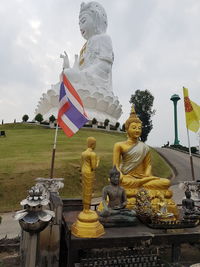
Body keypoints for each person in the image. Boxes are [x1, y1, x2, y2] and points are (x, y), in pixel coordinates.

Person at [113, 105, 176, 215]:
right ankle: (146, 190)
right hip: (128, 178)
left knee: (166, 182)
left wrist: (147, 175)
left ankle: (141, 188)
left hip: (143, 178)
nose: (137, 130)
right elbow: (115, 166)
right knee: (121, 183)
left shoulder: (145, 147)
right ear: (127, 129)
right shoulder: (119, 145)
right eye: (134, 127)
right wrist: (120, 175)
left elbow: (148, 165)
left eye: (139, 128)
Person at [62, 1, 114, 93]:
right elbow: (78, 69)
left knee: (70, 76)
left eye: (83, 21)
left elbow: (105, 66)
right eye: (79, 24)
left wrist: (83, 75)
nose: (80, 27)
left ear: (96, 19)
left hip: (97, 81)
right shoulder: (84, 47)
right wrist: (68, 67)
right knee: (65, 75)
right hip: (84, 80)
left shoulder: (104, 38)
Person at [81, 137, 99, 212]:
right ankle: (87, 209)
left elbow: (81, 164)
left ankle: (85, 208)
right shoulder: (92, 154)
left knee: (84, 190)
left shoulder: (83, 153)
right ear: (92, 144)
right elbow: (94, 167)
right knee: (88, 191)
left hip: (84, 171)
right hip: (89, 172)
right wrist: (98, 161)